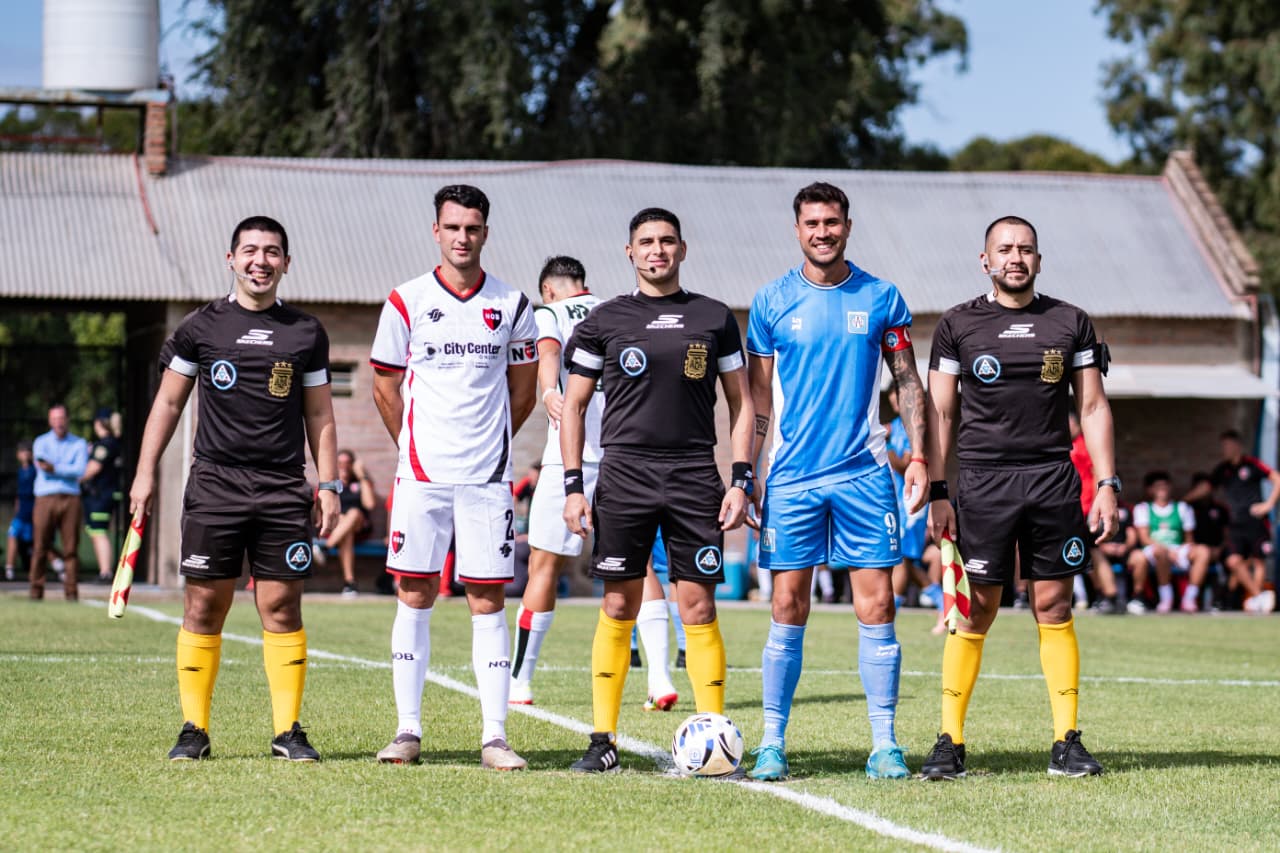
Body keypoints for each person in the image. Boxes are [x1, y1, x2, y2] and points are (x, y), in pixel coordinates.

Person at [130, 215, 339, 763]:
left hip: (281, 488)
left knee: (282, 604)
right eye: (250, 250)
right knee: (204, 605)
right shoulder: (199, 329)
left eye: (272, 252)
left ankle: (288, 730)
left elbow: (320, 412)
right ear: (231, 259)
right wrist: (145, 473)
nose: (260, 261)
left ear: (286, 263)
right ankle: (193, 730)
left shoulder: (306, 332)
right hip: (215, 485)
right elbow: (169, 404)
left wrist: (330, 483)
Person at [922, 215, 1117, 780]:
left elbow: (1095, 407)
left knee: (1054, 605)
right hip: (983, 483)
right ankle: (949, 741)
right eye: (1004, 249)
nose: (1015, 257)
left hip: (1053, 480)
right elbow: (940, 413)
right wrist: (938, 489)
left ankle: (1067, 742)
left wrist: (1105, 483)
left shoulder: (1070, 321)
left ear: (1039, 259)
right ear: (985, 260)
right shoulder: (958, 324)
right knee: (976, 609)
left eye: (1026, 249)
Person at [745, 182, 928, 782]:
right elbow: (757, 401)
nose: (822, 232)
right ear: (796, 229)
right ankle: (772, 742)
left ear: (848, 225)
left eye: (832, 222)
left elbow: (907, 383)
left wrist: (921, 455)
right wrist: (747, 473)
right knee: (786, 604)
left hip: (864, 475)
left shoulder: (881, 298)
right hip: (793, 477)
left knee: (877, 605)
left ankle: (885, 745)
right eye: (811, 223)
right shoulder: (770, 302)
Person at [560, 206, 754, 773]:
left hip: (695, 473)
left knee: (697, 604)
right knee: (619, 601)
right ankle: (603, 742)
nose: (657, 251)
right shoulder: (603, 320)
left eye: (667, 241)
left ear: (683, 249)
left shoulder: (714, 317)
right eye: (646, 242)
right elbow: (572, 406)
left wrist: (741, 478)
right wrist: (575, 485)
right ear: (630, 252)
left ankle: (717, 741)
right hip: (624, 474)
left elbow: (742, 404)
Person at [370, 184, 538, 771]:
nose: (462, 237)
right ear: (435, 232)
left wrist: (491, 443)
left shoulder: (513, 304)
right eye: (452, 227)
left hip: (487, 477)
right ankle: (407, 731)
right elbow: (384, 385)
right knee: (414, 592)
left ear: (485, 233)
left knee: (487, 598)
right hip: (421, 475)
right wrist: (411, 447)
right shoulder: (406, 300)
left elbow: (522, 392)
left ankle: (495, 736)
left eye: (472, 227)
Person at [1210, 430, 1278, 613]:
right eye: (1222, 446)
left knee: (1258, 562)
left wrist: (1269, 504)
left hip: (1256, 522)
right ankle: (1258, 596)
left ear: (1237, 446)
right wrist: (1185, 499)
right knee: (1233, 561)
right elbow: (1207, 487)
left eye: (1227, 446)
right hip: (1235, 525)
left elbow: (1276, 478)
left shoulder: (1252, 464)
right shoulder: (1223, 470)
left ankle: (1255, 599)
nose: (1224, 450)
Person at [1128, 470, 1211, 614]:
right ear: (1151, 490)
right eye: (1158, 486)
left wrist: (1181, 550)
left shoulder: (1183, 508)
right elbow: (1144, 538)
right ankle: (1166, 598)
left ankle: (1189, 598)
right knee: (1160, 552)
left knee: (1204, 551)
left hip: (1178, 549)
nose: (1162, 489)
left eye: (1165, 485)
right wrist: (1166, 550)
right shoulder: (1143, 508)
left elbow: (1189, 538)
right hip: (1153, 549)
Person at [30, 404, 88, 600]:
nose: (58, 422)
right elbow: (42, 467)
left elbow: (79, 470)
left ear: (67, 420)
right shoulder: (40, 442)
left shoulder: (78, 443)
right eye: (54, 419)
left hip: (70, 498)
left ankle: (71, 592)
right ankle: (35, 591)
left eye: (61, 418)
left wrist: (55, 468)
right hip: (45, 498)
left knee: (71, 549)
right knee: (40, 546)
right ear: (49, 421)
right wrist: (63, 469)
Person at [1068, 411, 1120, 612]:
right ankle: (1101, 595)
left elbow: (1097, 472)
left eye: (1068, 423)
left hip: (1086, 509)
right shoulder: (1070, 446)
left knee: (1094, 553)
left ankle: (1111, 595)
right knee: (1084, 555)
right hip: (1074, 508)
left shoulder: (1085, 445)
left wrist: (1097, 505)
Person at [316, 449, 377, 596]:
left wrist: (362, 475)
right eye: (340, 463)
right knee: (346, 531)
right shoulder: (330, 485)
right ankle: (349, 583)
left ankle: (326, 548)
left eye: (347, 463)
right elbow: (321, 511)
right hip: (339, 528)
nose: (344, 466)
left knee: (354, 513)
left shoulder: (361, 483)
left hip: (360, 527)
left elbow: (369, 505)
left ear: (353, 465)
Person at [80, 408, 122, 583]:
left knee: (99, 531)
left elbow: (93, 468)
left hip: (101, 496)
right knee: (96, 531)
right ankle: (105, 571)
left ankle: (106, 572)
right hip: (105, 495)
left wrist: (75, 479)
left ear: (99, 423)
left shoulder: (105, 444)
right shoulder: (113, 442)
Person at [4, 441, 36, 581]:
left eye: (28, 451)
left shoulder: (36, 471)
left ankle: (60, 566)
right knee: (12, 534)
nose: (26, 454)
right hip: (21, 514)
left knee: (40, 544)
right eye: (23, 451)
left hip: (33, 513)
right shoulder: (19, 472)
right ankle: (9, 569)